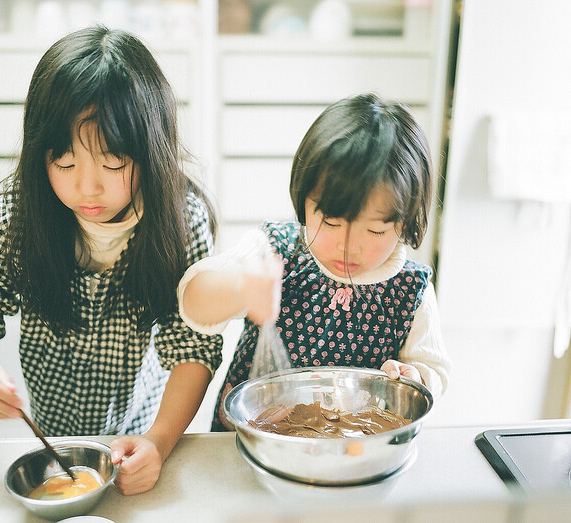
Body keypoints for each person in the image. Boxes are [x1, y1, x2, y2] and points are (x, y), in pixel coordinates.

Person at [0, 26, 222, 494]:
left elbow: (194, 349)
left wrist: (159, 441)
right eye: (64, 162)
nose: (87, 187)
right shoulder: (18, 214)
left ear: (151, 151)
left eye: (111, 162)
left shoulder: (179, 220)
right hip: (50, 429)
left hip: (140, 421)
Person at [179, 93, 451, 431]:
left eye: (376, 230)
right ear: (303, 199)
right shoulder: (275, 251)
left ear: (406, 221)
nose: (348, 247)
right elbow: (192, 302)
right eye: (332, 222)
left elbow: (434, 370)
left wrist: (414, 376)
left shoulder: (410, 290)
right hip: (254, 445)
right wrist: (240, 288)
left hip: (354, 453)